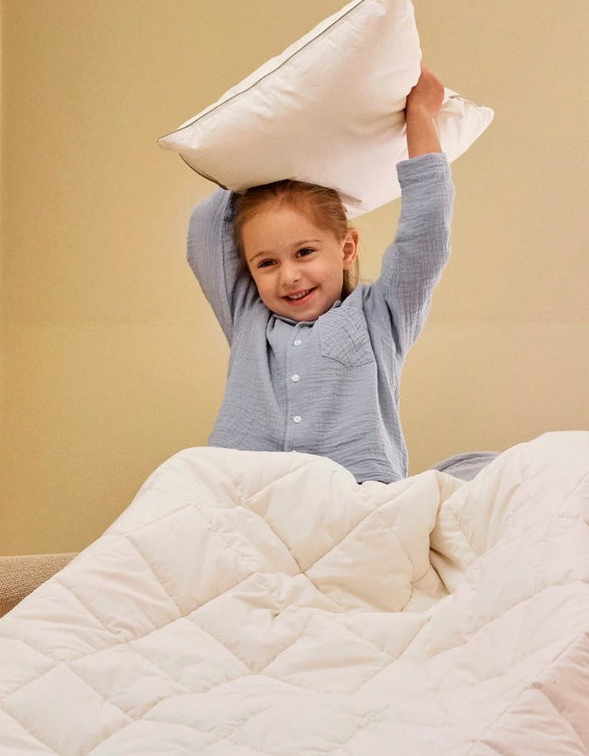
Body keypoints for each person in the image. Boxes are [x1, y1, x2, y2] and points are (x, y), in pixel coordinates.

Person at [186, 66, 453, 483]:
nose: (289, 276)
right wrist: (288, 127)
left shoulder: (380, 316)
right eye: (267, 263)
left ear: (346, 249)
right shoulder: (247, 317)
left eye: (305, 252)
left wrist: (420, 115)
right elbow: (205, 228)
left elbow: (426, 232)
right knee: (176, 479)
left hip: (354, 491)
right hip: (248, 491)